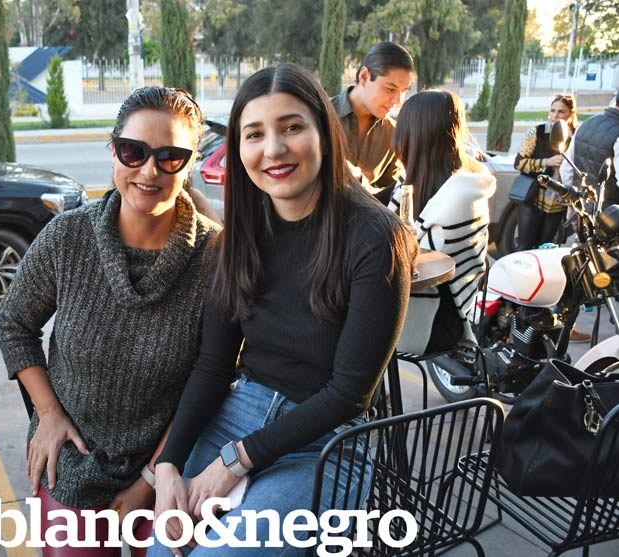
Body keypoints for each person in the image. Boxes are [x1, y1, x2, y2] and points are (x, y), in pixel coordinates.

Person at [149, 64, 416, 556]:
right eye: (254, 134)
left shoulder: (376, 238)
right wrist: (169, 464)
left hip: (327, 441)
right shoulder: (236, 241)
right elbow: (212, 366)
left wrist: (236, 461)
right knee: (164, 548)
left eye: (292, 127)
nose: (273, 149)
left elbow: (350, 394)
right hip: (237, 415)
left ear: (324, 134)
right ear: (239, 148)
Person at [0, 87, 220, 557]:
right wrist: (48, 414)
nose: (149, 171)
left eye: (170, 157)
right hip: (74, 456)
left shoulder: (215, 256)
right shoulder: (67, 237)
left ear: (190, 164)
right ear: (113, 150)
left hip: (172, 461)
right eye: (133, 152)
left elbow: (212, 377)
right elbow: (14, 323)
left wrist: (150, 478)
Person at [388, 90, 496, 355]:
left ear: (415, 136)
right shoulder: (417, 181)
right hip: (413, 308)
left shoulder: (459, 196)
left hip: (431, 321)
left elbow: (410, 264)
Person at [331, 41, 414, 204]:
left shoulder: (393, 133)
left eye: (403, 92)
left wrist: (361, 183)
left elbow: (390, 196)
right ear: (364, 77)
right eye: (390, 89)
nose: (397, 101)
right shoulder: (320, 116)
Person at [514, 94, 577, 251]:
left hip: (558, 203)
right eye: (552, 110)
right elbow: (519, 163)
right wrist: (547, 162)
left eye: (561, 111)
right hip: (533, 198)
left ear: (571, 114)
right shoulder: (537, 132)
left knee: (546, 248)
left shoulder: (576, 137)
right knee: (525, 247)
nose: (555, 115)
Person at [561, 88, 619, 208]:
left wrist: (575, 199)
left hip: (580, 208)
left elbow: (566, 170)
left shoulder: (587, 123)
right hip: (609, 213)